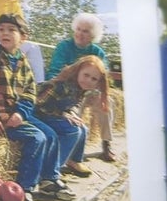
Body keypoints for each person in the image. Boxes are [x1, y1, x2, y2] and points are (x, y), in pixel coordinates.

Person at [0, 13, 75, 201]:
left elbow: (30, 92)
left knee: (50, 134)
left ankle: (49, 178)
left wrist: (22, 113)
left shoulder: (23, 61)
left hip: (17, 113)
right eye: (2, 29)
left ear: (23, 37)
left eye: (11, 30)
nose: (5, 33)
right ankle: (24, 190)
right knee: (37, 137)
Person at [46, 13, 116, 162]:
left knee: (107, 103)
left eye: (85, 31)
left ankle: (106, 144)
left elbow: (104, 78)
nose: (80, 33)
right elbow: (55, 70)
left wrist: (93, 89)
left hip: (90, 91)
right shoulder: (64, 46)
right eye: (78, 29)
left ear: (93, 36)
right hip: (67, 91)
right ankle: (72, 154)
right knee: (74, 111)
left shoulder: (98, 52)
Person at [34, 55, 111, 177]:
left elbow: (70, 105)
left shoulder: (80, 89)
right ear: (77, 71)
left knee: (82, 127)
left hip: (52, 113)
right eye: (86, 75)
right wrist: (63, 114)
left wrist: (70, 113)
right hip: (38, 115)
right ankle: (50, 169)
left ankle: (74, 160)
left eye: (94, 79)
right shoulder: (61, 86)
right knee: (72, 130)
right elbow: (40, 104)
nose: (88, 80)